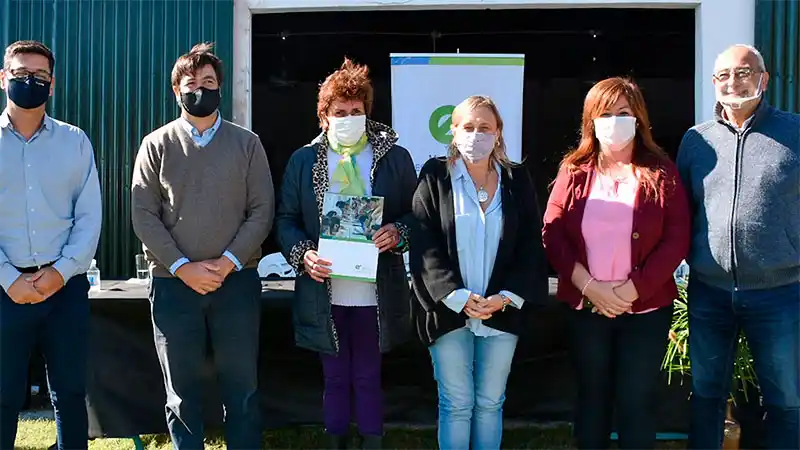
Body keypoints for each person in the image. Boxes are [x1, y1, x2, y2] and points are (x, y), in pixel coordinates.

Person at [131, 42, 274, 449]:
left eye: (208, 82)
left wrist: (228, 262)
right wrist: (182, 266)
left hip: (237, 282)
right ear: (177, 92)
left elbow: (261, 210)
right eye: (191, 84)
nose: (200, 90)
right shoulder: (156, 144)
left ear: (220, 89)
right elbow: (144, 214)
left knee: (242, 389)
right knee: (181, 392)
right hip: (174, 285)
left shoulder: (247, 144)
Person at [275, 58, 416, 450]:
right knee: (335, 377)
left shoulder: (394, 157)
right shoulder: (304, 161)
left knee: (369, 376)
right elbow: (285, 220)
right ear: (324, 116)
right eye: (340, 112)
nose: (349, 117)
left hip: (376, 290)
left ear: (368, 112)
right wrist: (303, 254)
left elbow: (417, 216)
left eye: (357, 111)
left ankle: (372, 442)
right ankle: (335, 441)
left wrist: (398, 232)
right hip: (325, 290)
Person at [542, 77, 690, 449]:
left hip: (645, 310)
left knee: (635, 401)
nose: (614, 120)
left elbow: (677, 239)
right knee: (592, 398)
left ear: (639, 118)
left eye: (623, 112)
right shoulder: (573, 171)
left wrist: (632, 289)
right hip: (587, 308)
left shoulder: (661, 171)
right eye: (605, 113)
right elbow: (552, 234)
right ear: (590, 120)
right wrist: (591, 288)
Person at [677, 44, 799, 449]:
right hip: (710, 292)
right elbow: (683, 211)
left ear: (763, 80)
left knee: (785, 398)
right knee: (707, 394)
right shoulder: (696, 141)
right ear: (714, 84)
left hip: (780, 291)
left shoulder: (794, 132)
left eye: (743, 72)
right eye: (723, 75)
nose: (733, 81)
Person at [410, 95, 549, 450]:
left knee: (490, 404)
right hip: (448, 311)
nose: (476, 135)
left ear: (498, 132)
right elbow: (424, 243)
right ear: (453, 132)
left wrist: (504, 298)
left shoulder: (517, 179)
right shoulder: (435, 175)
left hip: (501, 311)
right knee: (456, 404)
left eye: (484, 128)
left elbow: (531, 245)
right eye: (468, 127)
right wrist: (457, 297)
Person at [0, 40, 102, 450]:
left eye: (40, 76)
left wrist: (60, 273)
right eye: (21, 74)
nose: (30, 82)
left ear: (53, 85)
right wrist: (9, 278)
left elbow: (90, 217)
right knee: (4, 398)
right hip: (4, 291)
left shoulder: (75, 141)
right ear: (3, 78)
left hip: (64, 290)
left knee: (70, 396)